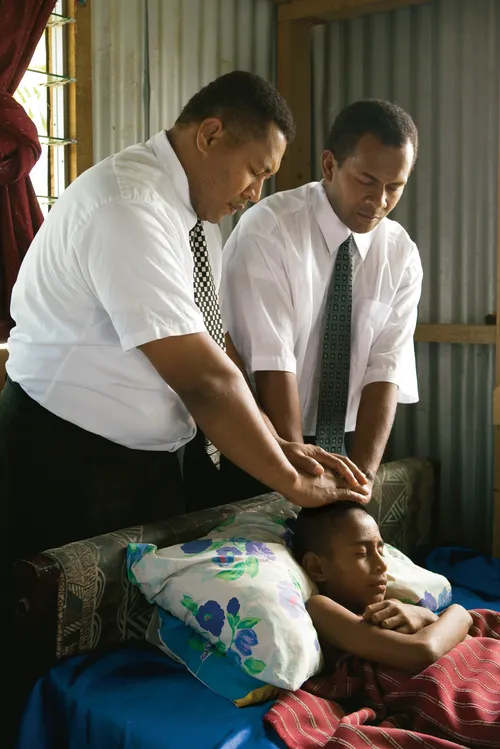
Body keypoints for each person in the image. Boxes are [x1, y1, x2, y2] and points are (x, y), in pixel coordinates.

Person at [0, 71, 370, 565]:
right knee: (49, 630)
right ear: (210, 135)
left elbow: (216, 348)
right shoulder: (127, 204)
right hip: (63, 459)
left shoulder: (195, 215)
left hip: (148, 463)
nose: (256, 194)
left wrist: (279, 444)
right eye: (255, 172)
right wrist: (292, 483)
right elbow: (202, 376)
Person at [221, 99, 424, 502]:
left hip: (345, 442)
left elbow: (386, 370)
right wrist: (299, 477)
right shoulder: (270, 229)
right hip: (262, 437)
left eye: (394, 187)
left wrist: (361, 482)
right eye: (366, 181)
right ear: (329, 166)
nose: (379, 201)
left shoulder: (401, 253)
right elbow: (271, 360)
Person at [292, 501, 472, 674]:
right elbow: (423, 653)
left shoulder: (390, 603)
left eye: (381, 551)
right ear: (317, 568)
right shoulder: (320, 609)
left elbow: (468, 644)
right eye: (361, 553)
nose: (383, 565)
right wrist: (458, 613)